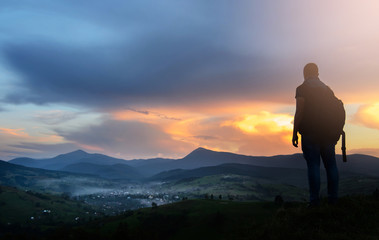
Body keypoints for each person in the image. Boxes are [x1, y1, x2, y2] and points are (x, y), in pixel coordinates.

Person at [292, 63, 339, 206]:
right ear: (317, 73)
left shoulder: (302, 89)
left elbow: (299, 111)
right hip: (328, 133)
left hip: (310, 133)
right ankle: (333, 199)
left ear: (305, 73)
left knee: (313, 166)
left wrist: (294, 132)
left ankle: (314, 201)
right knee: (331, 165)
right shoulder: (327, 90)